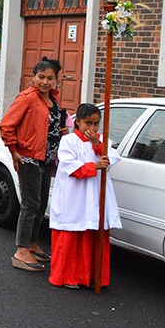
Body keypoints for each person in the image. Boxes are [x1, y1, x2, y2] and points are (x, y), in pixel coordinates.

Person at [0, 57, 71, 272]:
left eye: (50, 78)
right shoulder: (27, 98)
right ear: (33, 77)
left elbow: (49, 124)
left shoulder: (54, 98)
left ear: (56, 80)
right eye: (41, 77)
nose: (45, 82)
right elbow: (6, 125)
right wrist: (14, 150)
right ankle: (21, 251)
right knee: (30, 205)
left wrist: (62, 131)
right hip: (29, 158)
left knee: (40, 204)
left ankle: (31, 243)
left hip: (48, 158)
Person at [48, 103, 122, 289]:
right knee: (72, 233)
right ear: (78, 122)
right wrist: (93, 167)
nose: (92, 128)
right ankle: (69, 277)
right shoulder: (69, 141)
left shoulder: (102, 140)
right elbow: (69, 165)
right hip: (74, 194)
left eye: (96, 124)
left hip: (95, 194)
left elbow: (113, 157)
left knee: (92, 232)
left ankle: (92, 276)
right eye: (88, 123)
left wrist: (98, 145)